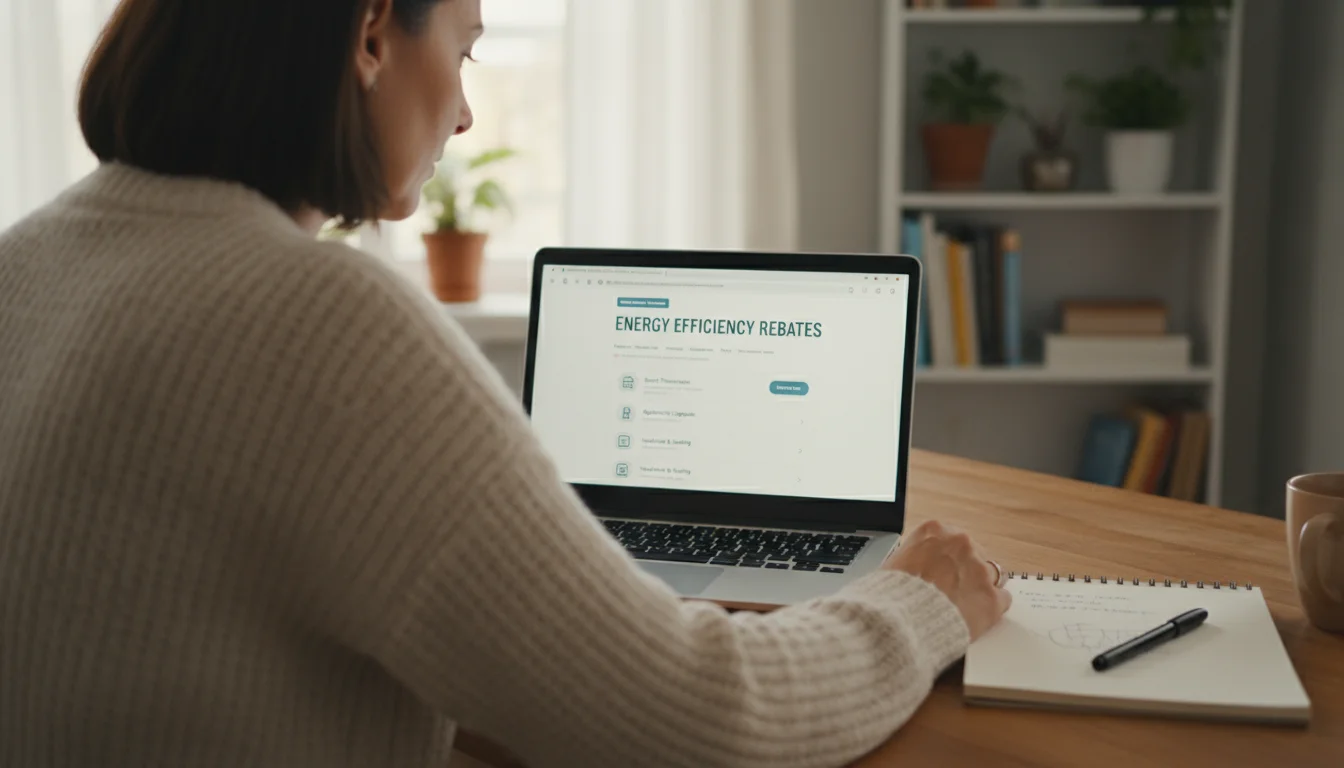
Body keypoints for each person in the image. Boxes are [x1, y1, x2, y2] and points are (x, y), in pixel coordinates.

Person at [0, 0, 1011, 766]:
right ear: (369, 36)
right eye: (465, 47)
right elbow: (702, 716)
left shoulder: (27, 260)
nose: (469, 112)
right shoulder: (321, 318)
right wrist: (917, 605)